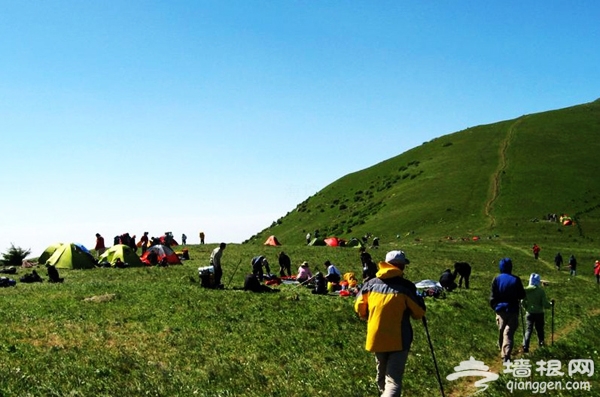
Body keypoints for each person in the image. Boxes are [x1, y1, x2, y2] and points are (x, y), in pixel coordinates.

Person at [354, 250, 426, 396]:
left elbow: (358, 306)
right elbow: (418, 313)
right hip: (398, 338)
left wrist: (367, 316)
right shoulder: (406, 287)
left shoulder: (370, 284)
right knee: (393, 380)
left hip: (376, 336)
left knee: (381, 374)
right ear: (400, 266)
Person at [490, 258, 526, 362]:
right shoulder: (516, 279)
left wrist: (495, 306)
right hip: (513, 309)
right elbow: (522, 295)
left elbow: (493, 296)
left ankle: (502, 350)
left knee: (501, 330)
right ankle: (506, 355)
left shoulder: (496, 279)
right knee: (508, 333)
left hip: (500, 310)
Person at [521, 273, 553, 353]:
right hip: (539, 313)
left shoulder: (526, 290)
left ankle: (525, 345)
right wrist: (551, 304)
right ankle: (541, 343)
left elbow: (522, 301)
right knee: (540, 329)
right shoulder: (540, 291)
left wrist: (526, 308)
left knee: (528, 329)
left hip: (529, 313)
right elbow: (545, 304)